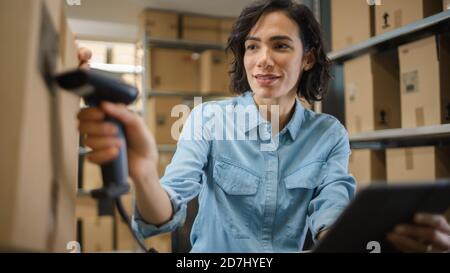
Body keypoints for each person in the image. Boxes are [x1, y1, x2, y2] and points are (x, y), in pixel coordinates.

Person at [77, 0, 450, 253]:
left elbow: (330, 220)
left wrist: (380, 239)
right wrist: (143, 173)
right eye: (252, 47)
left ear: (308, 57)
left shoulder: (329, 134)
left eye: (280, 46)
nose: (263, 60)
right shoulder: (209, 120)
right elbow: (162, 217)